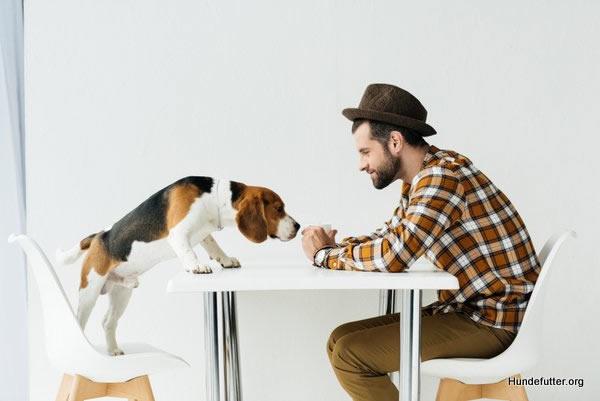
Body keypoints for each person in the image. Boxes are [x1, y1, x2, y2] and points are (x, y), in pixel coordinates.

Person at [301, 83, 540, 401]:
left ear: (395, 142)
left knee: (350, 354)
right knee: (339, 339)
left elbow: (393, 257)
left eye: (365, 151)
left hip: (492, 321)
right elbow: (392, 235)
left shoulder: (440, 178)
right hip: (471, 310)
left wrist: (323, 256)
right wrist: (336, 249)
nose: (361, 164)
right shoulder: (423, 177)